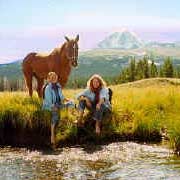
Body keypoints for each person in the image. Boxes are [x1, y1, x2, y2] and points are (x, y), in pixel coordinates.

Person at [42, 72, 74, 146]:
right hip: (49, 105)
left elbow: (62, 97)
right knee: (55, 115)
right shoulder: (48, 88)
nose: (53, 78)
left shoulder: (58, 86)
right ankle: (52, 135)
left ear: (56, 78)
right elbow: (49, 101)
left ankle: (68, 119)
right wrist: (54, 107)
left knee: (72, 103)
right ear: (48, 79)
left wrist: (68, 100)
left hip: (58, 104)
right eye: (51, 77)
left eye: (55, 77)